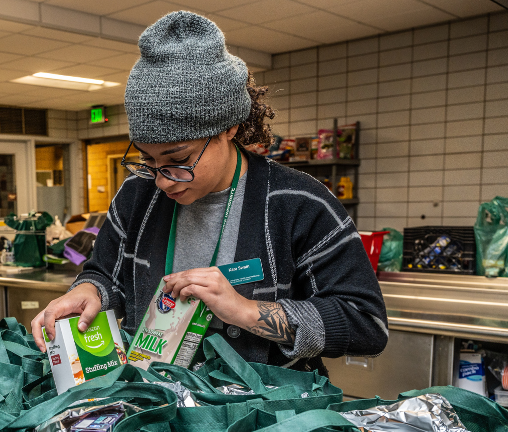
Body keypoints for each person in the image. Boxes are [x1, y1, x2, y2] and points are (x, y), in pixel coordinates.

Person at [32, 11, 388, 374]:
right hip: (154, 408)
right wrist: (87, 292)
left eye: (178, 159)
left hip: (260, 418)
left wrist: (247, 311)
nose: (162, 181)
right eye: (147, 159)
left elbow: (366, 324)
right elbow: (104, 275)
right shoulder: (136, 195)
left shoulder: (299, 203)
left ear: (229, 128)